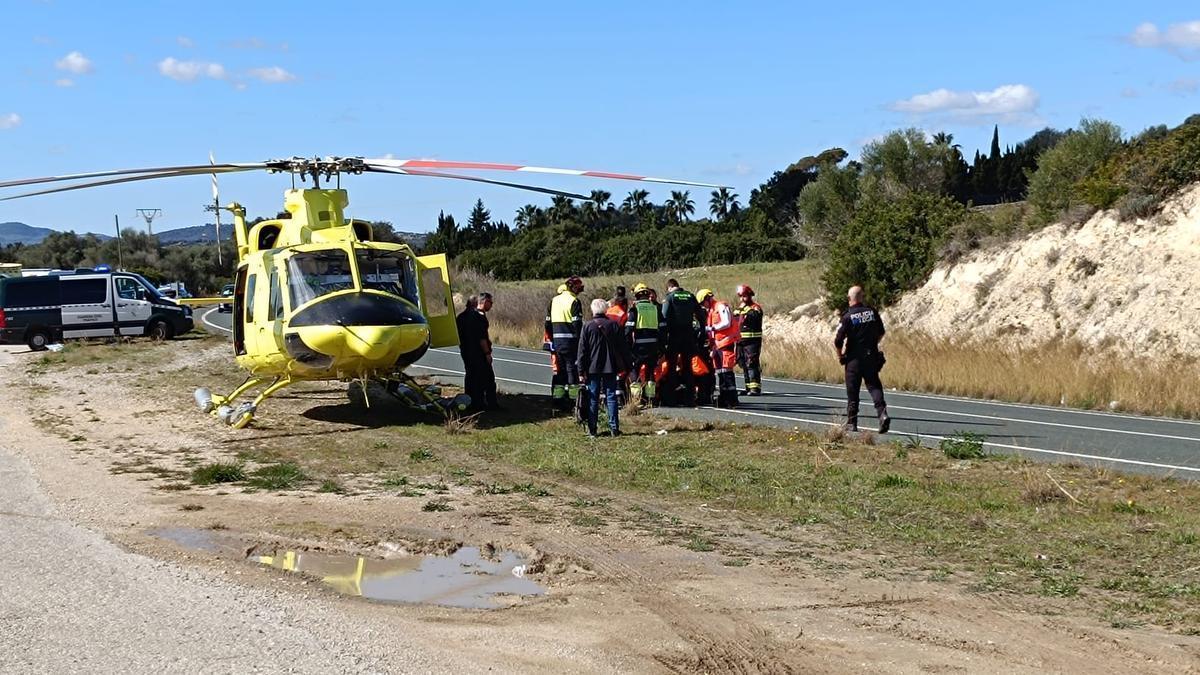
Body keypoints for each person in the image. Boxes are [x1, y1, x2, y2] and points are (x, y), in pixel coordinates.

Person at [834, 285, 891, 433]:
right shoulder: (872, 312)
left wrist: (840, 355)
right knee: (874, 386)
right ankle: (882, 414)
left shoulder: (847, 317)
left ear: (849, 299)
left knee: (853, 390)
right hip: (871, 355)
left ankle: (852, 422)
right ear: (862, 298)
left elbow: (838, 340)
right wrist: (873, 344)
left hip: (854, 359)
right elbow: (881, 332)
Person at [577, 298, 633, 437]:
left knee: (593, 398)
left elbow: (582, 351)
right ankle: (614, 428)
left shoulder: (588, 326)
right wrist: (628, 365)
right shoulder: (614, 325)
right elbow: (623, 348)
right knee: (611, 397)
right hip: (610, 366)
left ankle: (592, 429)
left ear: (593, 310)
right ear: (605, 309)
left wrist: (580, 370)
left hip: (592, 367)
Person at [661, 279, 705, 406]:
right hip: (689, 336)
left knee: (672, 367)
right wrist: (702, 330)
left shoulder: (670, 298)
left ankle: (671, 399)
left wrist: (663, 338)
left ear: (669, 287)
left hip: (674, 336)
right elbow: (700, 315)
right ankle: (689, 399)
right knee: (688, 367)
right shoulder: (690, 296)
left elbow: (664, 317)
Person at [545, 276, 584, 410]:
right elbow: (577, 324)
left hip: (557, 342)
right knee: (571, 370)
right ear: (575, 287)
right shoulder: (574, 301)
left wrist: (552, 339)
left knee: (559, 371)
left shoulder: (554, 300)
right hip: (571, 342)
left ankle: (557, 399)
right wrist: (581, 342)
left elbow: (547, 324)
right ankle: (574, 401)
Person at [456, 292, 498, 411]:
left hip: (466, 352)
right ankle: (488, 404)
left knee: (470, 377)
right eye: (490, 302)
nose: (491, 305)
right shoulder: (477, 317)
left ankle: (470, 402)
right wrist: (487, 353)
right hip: (478, 353)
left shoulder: (460, 317)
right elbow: (482, 338)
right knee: (487, 378)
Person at [698, 289, 740, 408]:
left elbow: (726, 322)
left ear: (707, 298)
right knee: (720, 372)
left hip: (726, 342)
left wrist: (712, 328)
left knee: (727, 372)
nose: (703, 306)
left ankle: (732, 399)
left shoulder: (720, 306)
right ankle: (724, 397)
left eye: (703, 303)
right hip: (718, 344)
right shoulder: (711, 310)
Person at [624, 282, 661, 406]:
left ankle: (636, 399)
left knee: (634, 370)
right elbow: (663, 327)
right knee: (650, 372)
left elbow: (628, 330)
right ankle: (651, 399)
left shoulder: (635, 309)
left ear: (637, 296)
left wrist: (628, 347)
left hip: (639, 346)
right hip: (653, 346)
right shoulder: (655, 308)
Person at [734, 284, 764, 396]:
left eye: (744, 296)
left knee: (752, 363)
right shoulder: (739, 308)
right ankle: (748, 387)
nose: (742, 299)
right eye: (740, 296)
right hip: (741, 341)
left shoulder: (755, 308)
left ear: (750, 295)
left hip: (752, 341)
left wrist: (745, 310)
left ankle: (755, 388)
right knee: (743, 364)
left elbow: (754, 317)